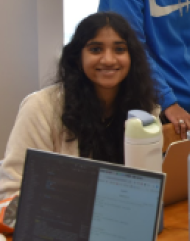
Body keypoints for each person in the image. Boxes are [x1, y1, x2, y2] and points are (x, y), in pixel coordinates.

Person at [0, 12, 159, 199]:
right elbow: (11, 191)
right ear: (77, 57)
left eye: (119, 49)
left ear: (132, 58)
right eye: (96, 49)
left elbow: (150, 185)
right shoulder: (40, 107)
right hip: (58, 221)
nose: (108, 60)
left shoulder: (145, 110)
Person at [98, 0, 190, 138]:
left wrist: (189, 84)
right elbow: (131, 45)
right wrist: (167, 100)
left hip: (180, 106)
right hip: (137, 103)